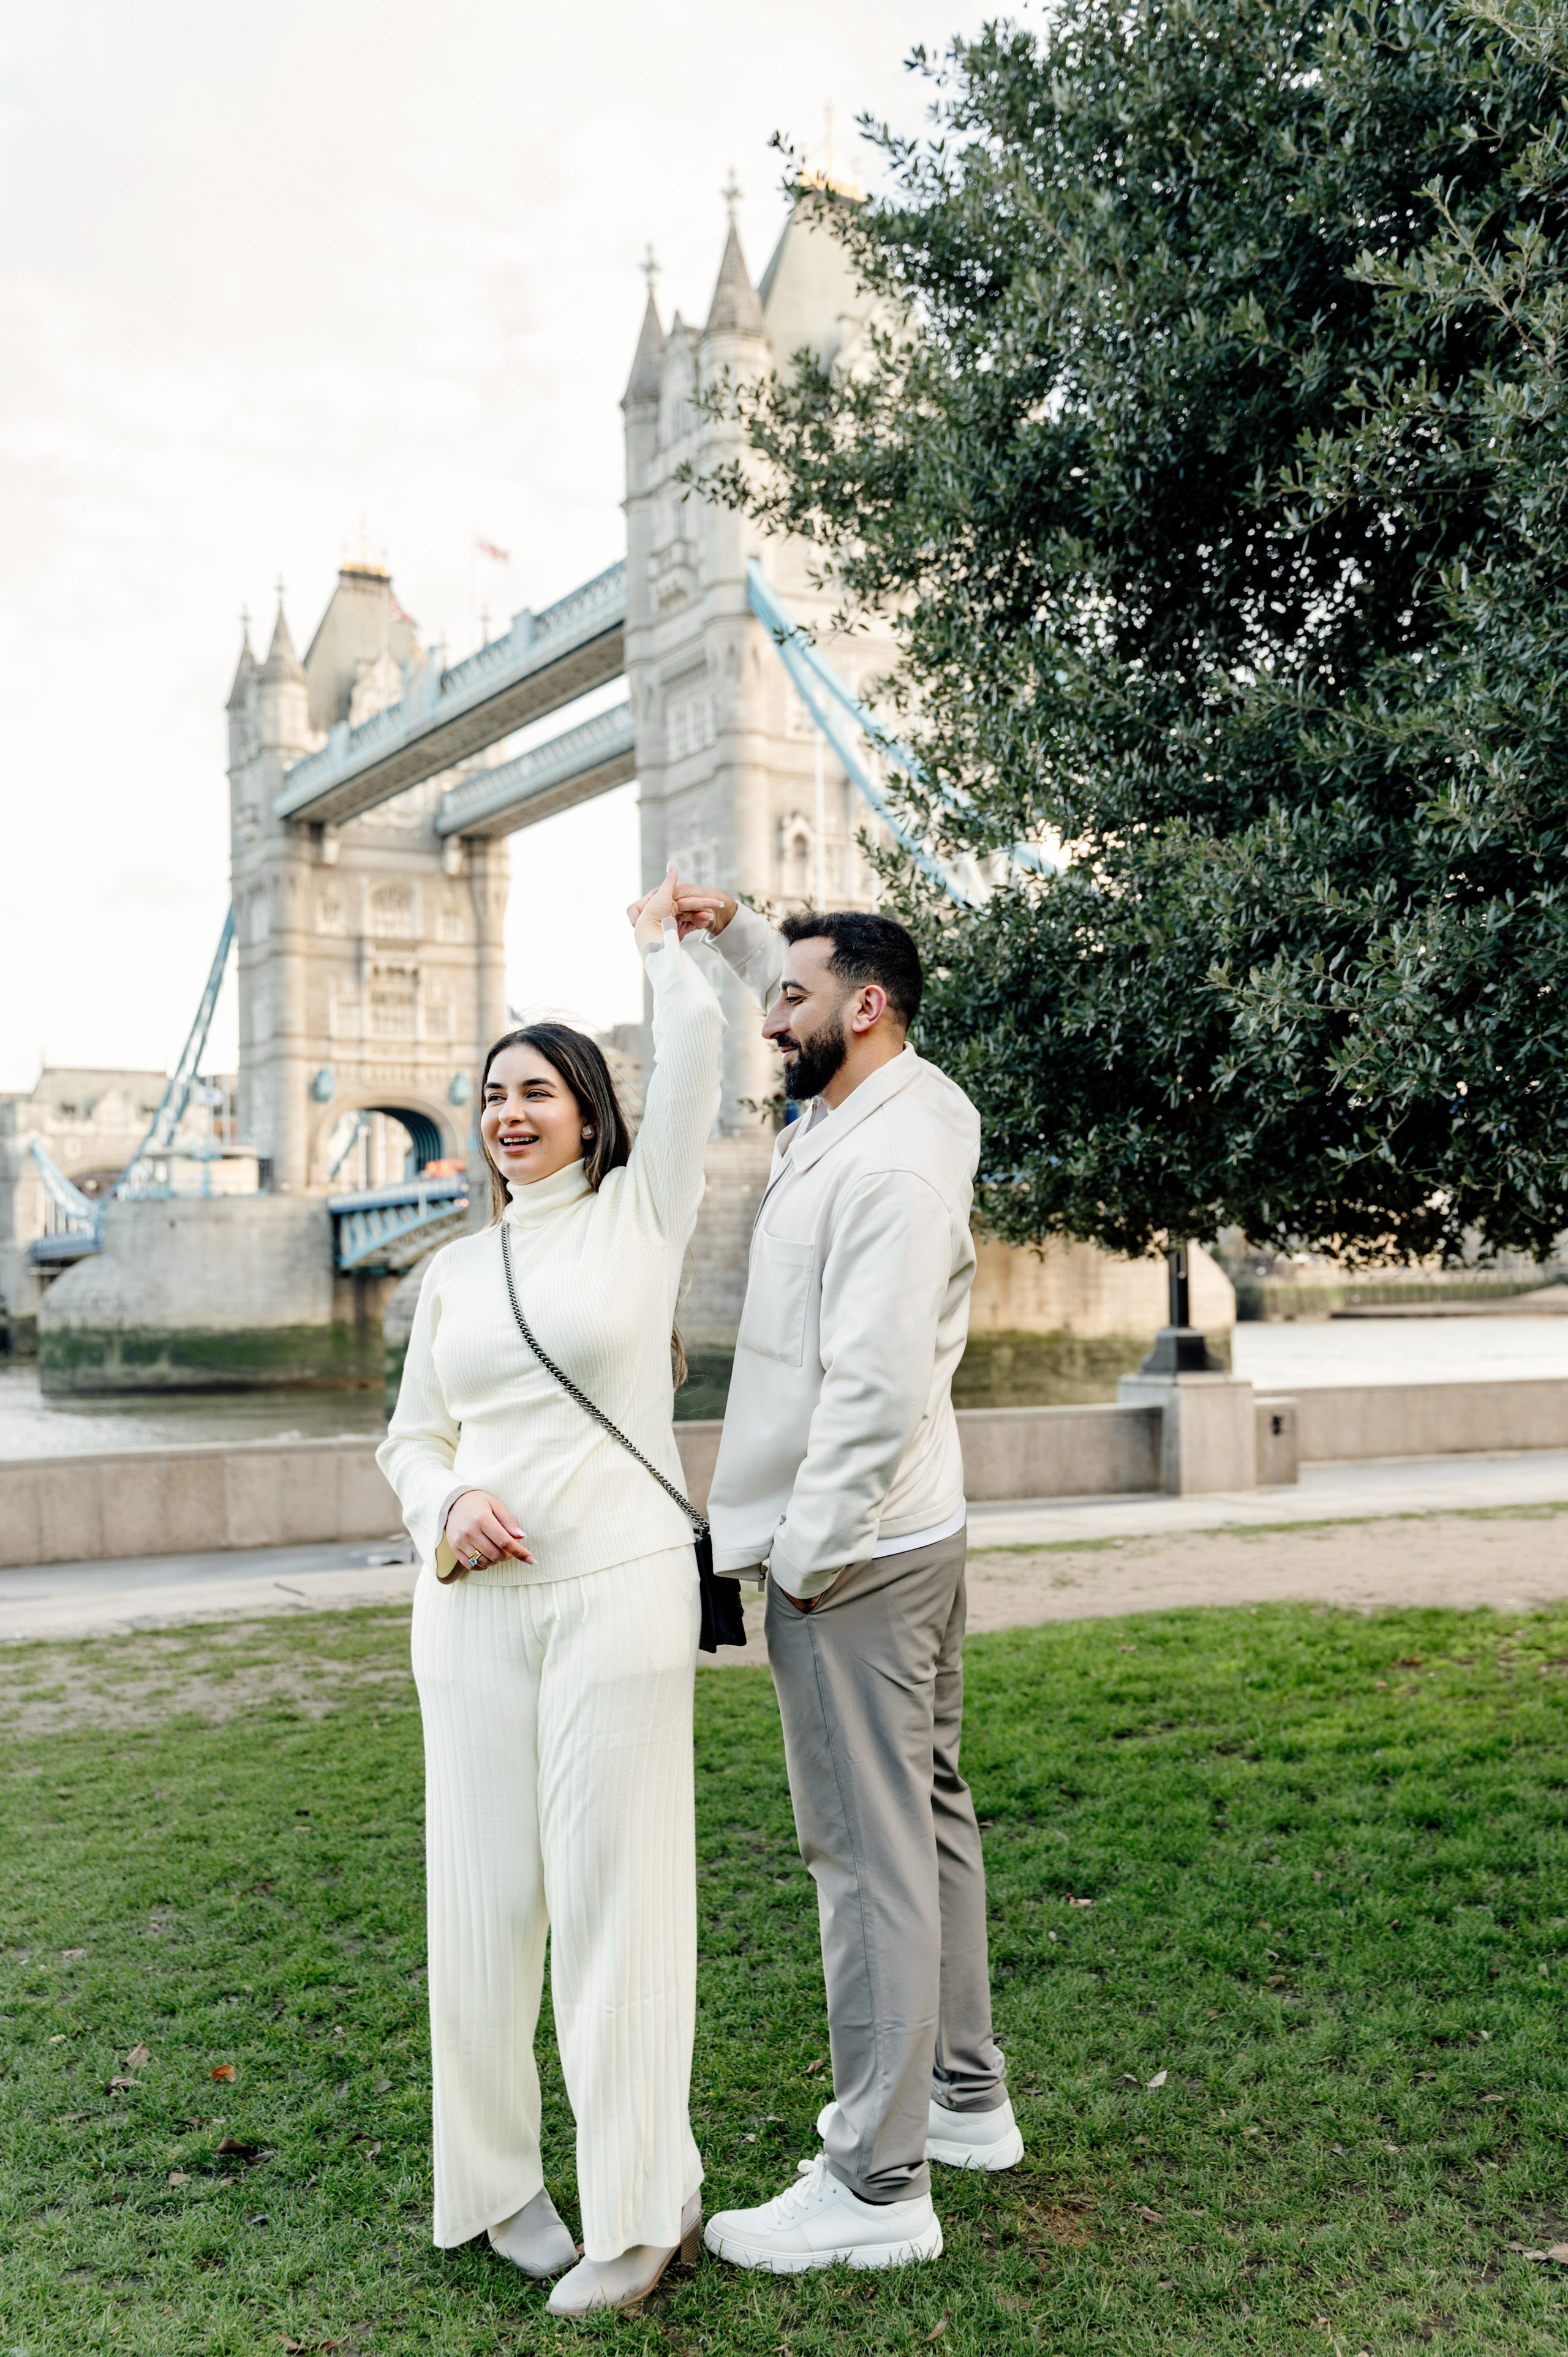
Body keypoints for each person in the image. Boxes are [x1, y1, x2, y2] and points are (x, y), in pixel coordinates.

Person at [377, 866, 725, 2320]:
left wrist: (661, 948)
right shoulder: (453, 1274)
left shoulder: (644, 1212)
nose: (507, 1112)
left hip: (616, 1599)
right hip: (468, 1612)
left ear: (588, 1110)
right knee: (482, 1905)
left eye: (535, 1090)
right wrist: (444, 1505)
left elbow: (697, 1048)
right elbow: (411, 1437)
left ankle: (644, 2206)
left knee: (611, 1909)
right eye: (490, 1094)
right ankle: (498, 2186)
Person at [668, 881, 1023, 2274]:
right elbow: (806, 986)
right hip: (913, 1529)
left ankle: (875, 2185)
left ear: (864, 1009)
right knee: (926, 1821)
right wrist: (736, 936)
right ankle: (964, 2101)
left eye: (791, 1001)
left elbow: (869, 1391)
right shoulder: (897, 1095)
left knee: (864, 1864)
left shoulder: (885, 1169)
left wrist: (802, 1564)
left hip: (856, 1556)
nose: (771, 1021)